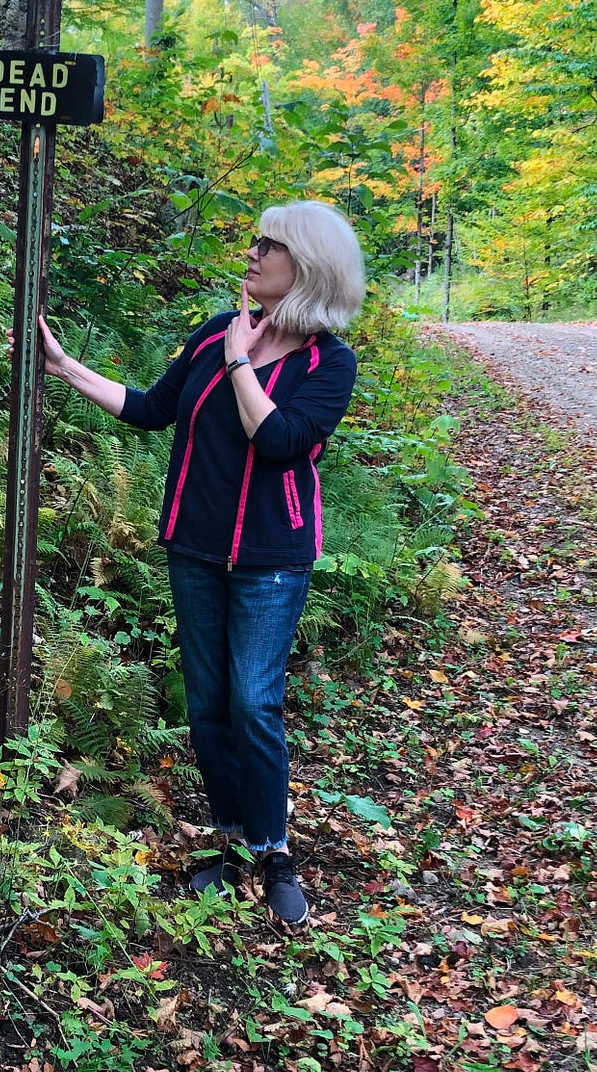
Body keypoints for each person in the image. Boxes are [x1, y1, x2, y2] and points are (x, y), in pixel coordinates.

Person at [28, 200, 365, 924]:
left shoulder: (328, 364)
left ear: (304, 268)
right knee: (209, 705)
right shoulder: (213, 330)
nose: (250, 253)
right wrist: (64, 368)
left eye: (266, 245)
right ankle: (230, 840)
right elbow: (154, 408)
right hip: (195, 547)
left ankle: (274, 852)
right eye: (253, 241)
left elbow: (277, 440)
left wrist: (242, 358)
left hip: (272, 558)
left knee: (253, 701)